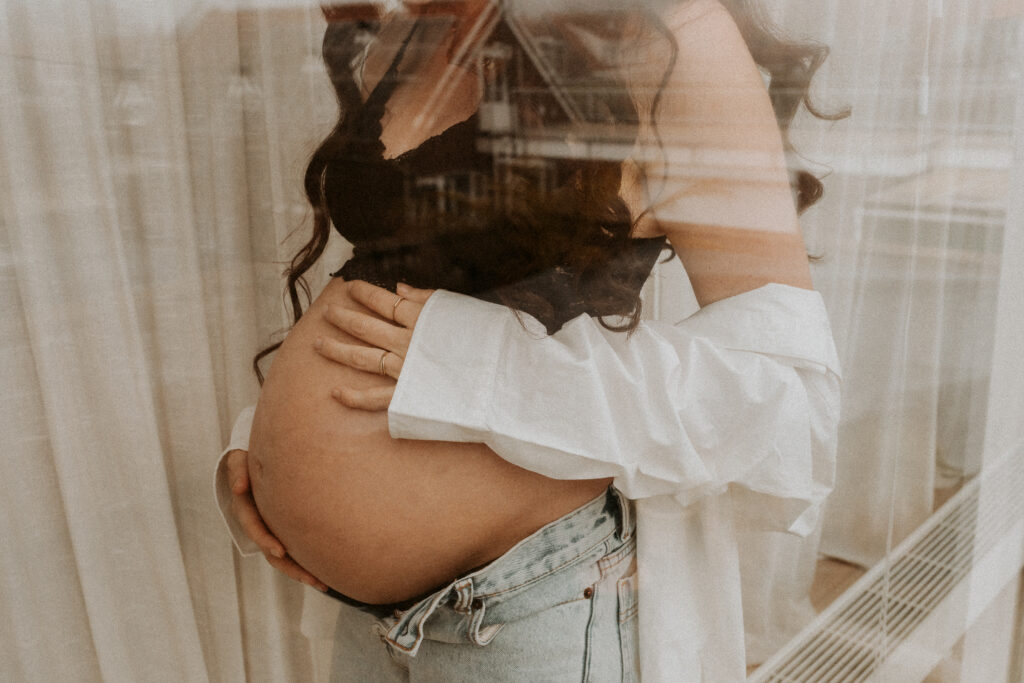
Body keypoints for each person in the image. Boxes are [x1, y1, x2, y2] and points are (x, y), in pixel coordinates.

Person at [215, 0, 843, 679]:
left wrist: (473, 360)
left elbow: (791, 401)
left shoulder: (669, 37)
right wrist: (271, 448)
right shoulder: (407, 37)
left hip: (528, 605)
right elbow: (398, 284)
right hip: (369, 619)